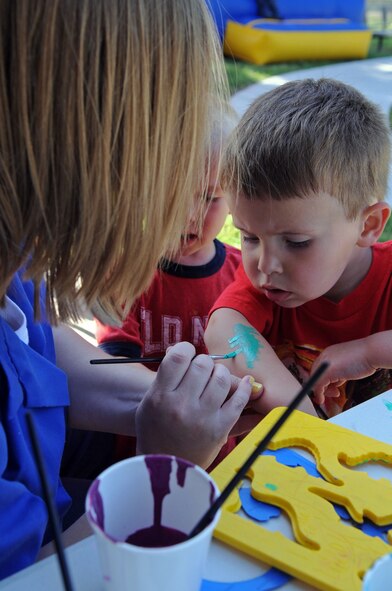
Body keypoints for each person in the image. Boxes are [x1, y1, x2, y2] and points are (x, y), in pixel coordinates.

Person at [0, 0, 259, 580]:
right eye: (169, 152)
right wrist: (160, 469)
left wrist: (193, 408)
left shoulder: (14, 269)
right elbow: (30, 575)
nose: (189, 205)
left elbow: (41, 356)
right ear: (89, 146)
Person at [205, 78, 392, 419]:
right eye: (249, 237)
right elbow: (224, 329)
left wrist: (370, 351)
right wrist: (302, 420)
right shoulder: (266, 289)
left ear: (368, 226)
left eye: (296, 242)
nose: (266, 265)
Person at [94, 108, 242, 468]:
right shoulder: (125, 269)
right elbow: (116, 363)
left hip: (225, 460)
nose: (190, 214)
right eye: (173, 193)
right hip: (142, 460)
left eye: (210, 198)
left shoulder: (243, 275)